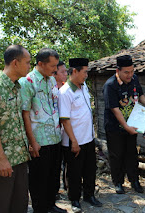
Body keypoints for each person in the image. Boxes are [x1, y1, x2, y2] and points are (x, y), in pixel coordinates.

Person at [19, 48, 67, 213]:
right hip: (39, 140)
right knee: (39, 178)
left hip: (55, 136)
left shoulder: (51, 80)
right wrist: (32, 142)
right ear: (40, 64)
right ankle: (40, 209)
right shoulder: (27, 82)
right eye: (52, 66)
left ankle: (50, 205)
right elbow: (25, 113)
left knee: (53, 176)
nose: (55, 69)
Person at [102, 55, 145, 194]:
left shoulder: (134, 79)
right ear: (118, 70)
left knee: (132, 154)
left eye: (132, 71)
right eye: (126, 72)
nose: (130, 75)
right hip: (115, 128)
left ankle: (135, 181)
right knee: (116, 155)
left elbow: (141, 95)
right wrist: (126, 127)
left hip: (131, 125)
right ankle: (118, 182)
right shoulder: (110, 85)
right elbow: (115, 110)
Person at [59, 58, 102, 212]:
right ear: (75, 71)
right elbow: (65, 119)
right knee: (74, 172)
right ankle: (74, 199)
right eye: (84, 72)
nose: (86, 76)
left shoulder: (83, 88)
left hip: (88, 138)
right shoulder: (65, 92)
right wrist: (74, 141)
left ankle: (89, 195)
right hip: (74, 140)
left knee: (90, 169)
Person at [0, 45, 31, 213]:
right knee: (3, 204)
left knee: (20, 204)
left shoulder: (17, 86)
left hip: (19, 156)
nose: (29, 67)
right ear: (15, 63)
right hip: (4, 161)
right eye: (27, 62)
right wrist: (1, 159)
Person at [53, 60, 68, 199]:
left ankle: (67, 185)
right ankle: (54, 191)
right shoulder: (52, 89)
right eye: (62, 71)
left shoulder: (67, 87)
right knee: (55, 164)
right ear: (55, 73)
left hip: (66, 133)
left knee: (65, 162)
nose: (66, 74)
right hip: (54, 133)